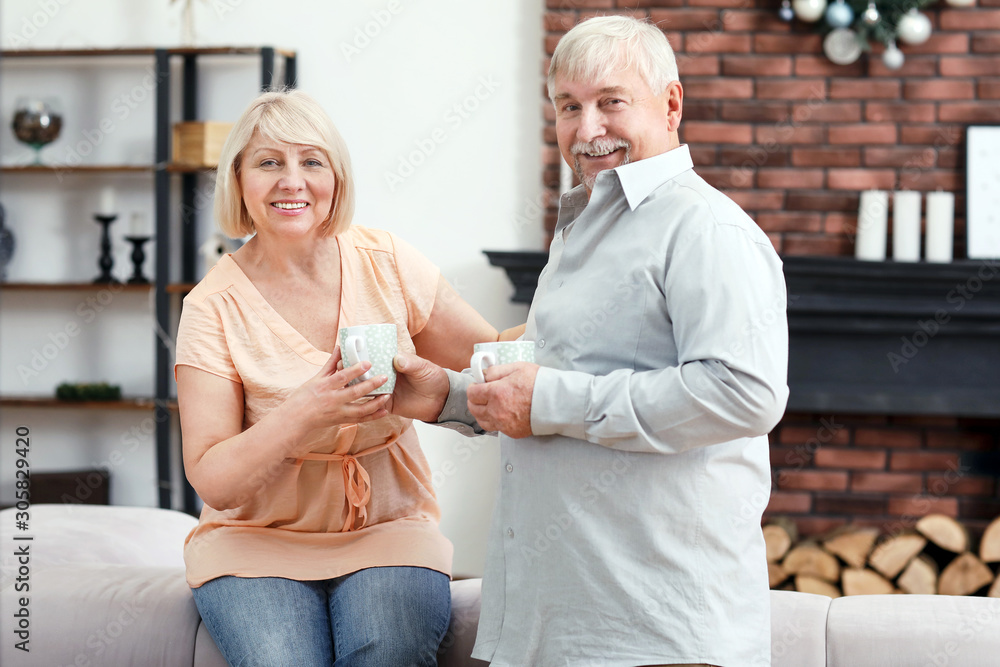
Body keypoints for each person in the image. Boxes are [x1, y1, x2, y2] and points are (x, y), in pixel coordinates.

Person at [389, 15, 789, 667]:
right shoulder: (581, 228)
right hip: (562, 621)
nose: (588, 128)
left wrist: (547, 399)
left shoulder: (707, 230)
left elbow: (743, 394)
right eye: (569, 106)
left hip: (657, 635)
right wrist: (448, 396)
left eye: (611, 102)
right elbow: (556, 377)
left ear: (671, 103)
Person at [174, 89, 507, 666]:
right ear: (238, 180)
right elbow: (215, 480)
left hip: (388, 528)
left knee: (388, 649)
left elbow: (496, 356)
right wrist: (306, 412)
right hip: (255, 540)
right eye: (268, 162)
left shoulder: (387, 262)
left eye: (311, 161)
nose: (292, 181)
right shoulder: (212, 306)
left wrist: (573, 306)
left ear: (336, 175)